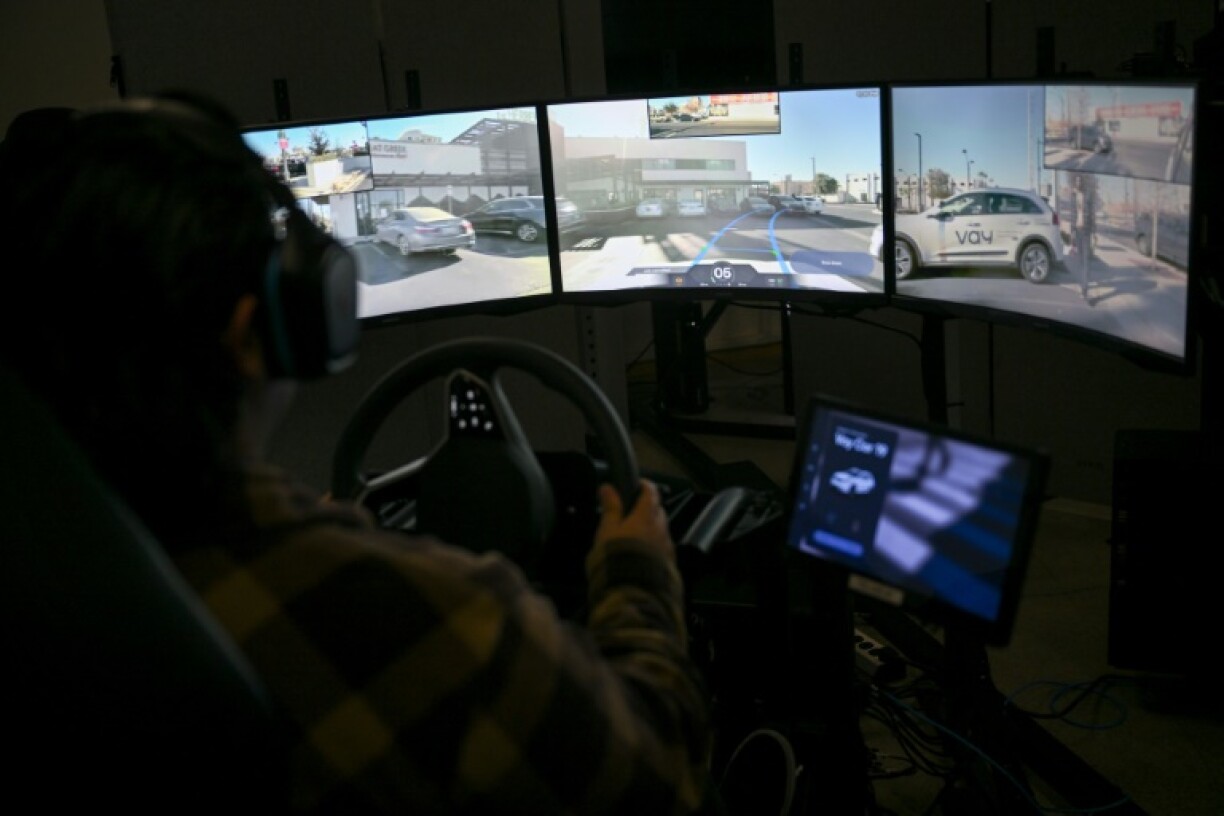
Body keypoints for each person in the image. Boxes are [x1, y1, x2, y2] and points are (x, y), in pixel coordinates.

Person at [0, 93, 714, 813]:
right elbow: (656, 774)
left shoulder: (49, 574)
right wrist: (637, 573)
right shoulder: (425, 619)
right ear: (266, 328)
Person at [1071, 173, 1095, 302]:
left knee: (1086, 260)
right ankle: (1083, 285)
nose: (1078, 183)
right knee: (1080, 260)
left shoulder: (1088, 195)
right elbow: (1072, 214)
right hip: (1077, 231)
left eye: (1080, 181)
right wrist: (1072, 232)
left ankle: (1084, 290)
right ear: (1075, 183)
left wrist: (1094, 232)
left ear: (1082, 183)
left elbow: (1092, 214)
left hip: (1086, 231)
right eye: (1077, 181)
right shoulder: (1073, 196)